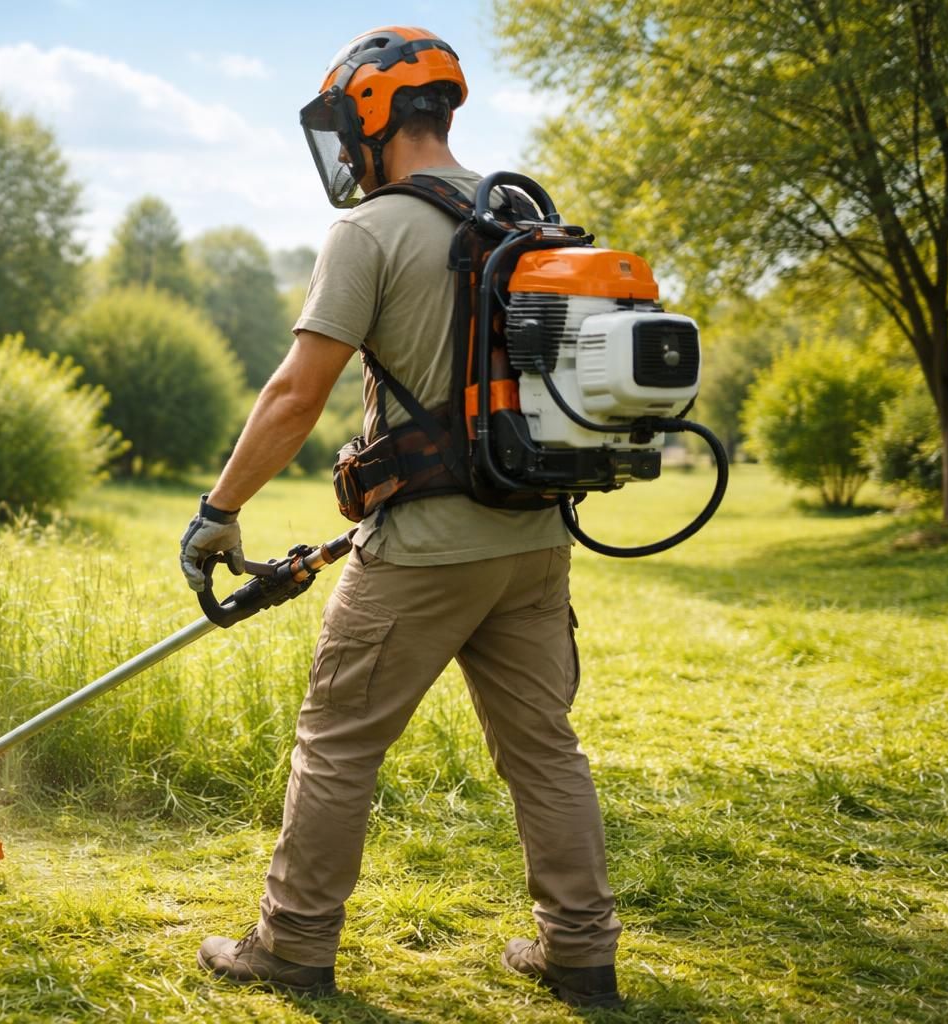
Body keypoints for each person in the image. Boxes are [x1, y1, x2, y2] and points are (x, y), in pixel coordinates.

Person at [178, 26, 622, 1010]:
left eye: (348, 126)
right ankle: (581, 952)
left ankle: (291, 946)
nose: (345, 149)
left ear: (373, 116)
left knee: (338, 744)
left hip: (421, 550)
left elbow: (298, 393)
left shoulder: (372, 230)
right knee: (546, 750)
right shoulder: (518, 216)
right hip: (534, 541)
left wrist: (221, 510)